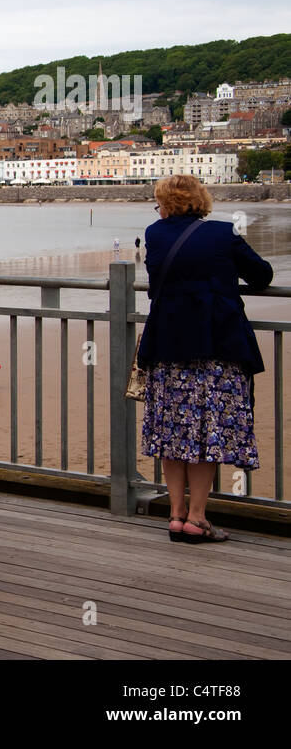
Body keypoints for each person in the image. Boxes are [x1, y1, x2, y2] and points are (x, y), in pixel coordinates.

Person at [137, 175, 273, 544]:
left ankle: (176, 515)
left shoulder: (155, 234)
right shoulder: (222, 234)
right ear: (201, 200)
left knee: (172, 432)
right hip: (216, 348)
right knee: (205, 433)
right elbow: (262, 275)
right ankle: (197, 518)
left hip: (167, 348)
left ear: (164, 204)